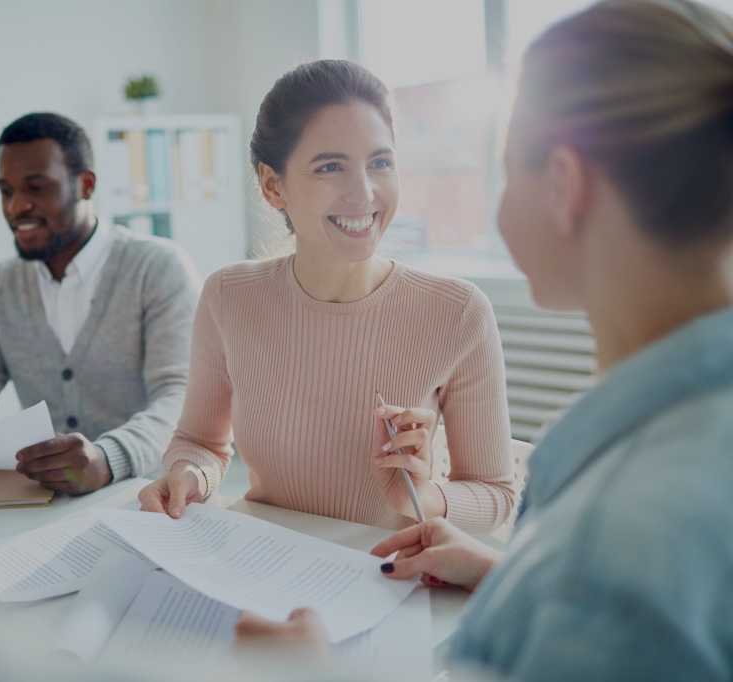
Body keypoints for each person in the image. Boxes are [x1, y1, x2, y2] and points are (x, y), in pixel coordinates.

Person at [236, 1, 733, 679]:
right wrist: (510, 573)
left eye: (504, 164)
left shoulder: (616, 542)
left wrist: (317, 672)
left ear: (566, 186)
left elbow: (611, 592)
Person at [139, 60, 515, 534]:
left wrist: (428, 495)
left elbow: (497, 494)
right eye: (330, 166)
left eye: (380, 162)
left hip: (383, 576)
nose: (364, 192)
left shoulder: (459, 312)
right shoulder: (227, 297)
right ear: (273, 186)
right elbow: (199, 442)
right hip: (262, 559)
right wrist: (188, 476)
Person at [0, 113, 200, 496]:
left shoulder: (157, 267)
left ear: (85, 185)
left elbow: (180, 396)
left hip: (148, 494)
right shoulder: (0, 285)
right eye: (6, 191)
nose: (16, 207)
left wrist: (108, 458)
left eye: (36, 187)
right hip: (48, 502)